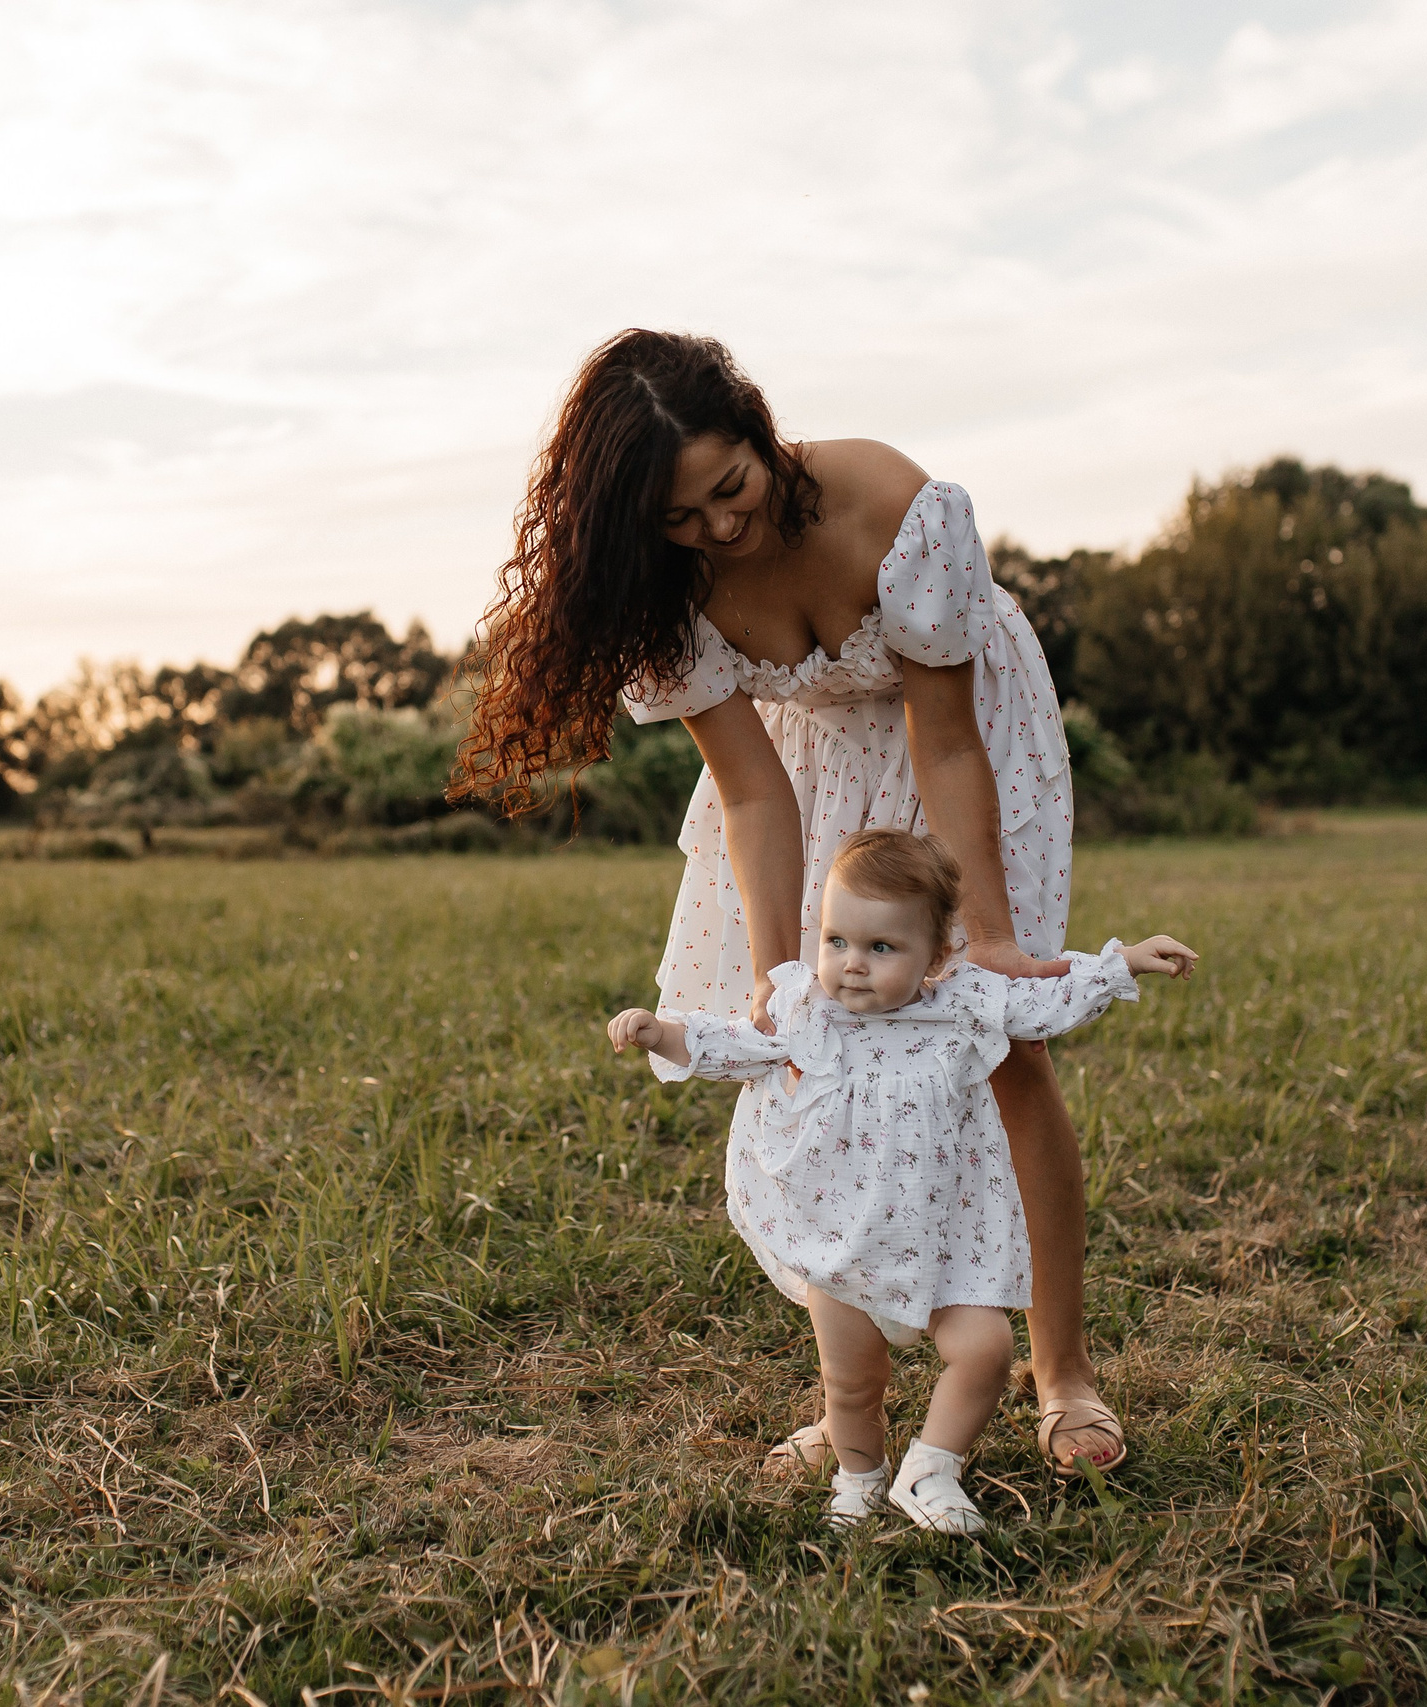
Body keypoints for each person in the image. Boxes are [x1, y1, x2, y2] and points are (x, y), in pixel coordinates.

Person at [457, 328, 1136, 1476]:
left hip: (968, 740)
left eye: (730, 487)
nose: (719, 529)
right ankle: (854, 1396)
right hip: (808, 760)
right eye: (681, 518)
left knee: (996, 1042)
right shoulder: (662, 591)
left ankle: (1061, 1372)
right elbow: (751, 793)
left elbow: (946, 739)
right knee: (819, 1066)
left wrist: (992, 935)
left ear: (760, 427)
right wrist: (785, 993)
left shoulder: (889, 503)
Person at [607, 832, 1195, 1531]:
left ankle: (930, 1467)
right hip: (846, 1242)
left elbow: (1049, 1003)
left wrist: (1121, 963)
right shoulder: (807, 1011)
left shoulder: (965, 1005)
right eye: (836, 941)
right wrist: (661, 1031)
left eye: (881, 948)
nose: (852, 965)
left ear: (936, 955)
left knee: (986, 1350)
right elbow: (736, 1044)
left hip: (946, 1246)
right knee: (852, 1383)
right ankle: (859, 1480)